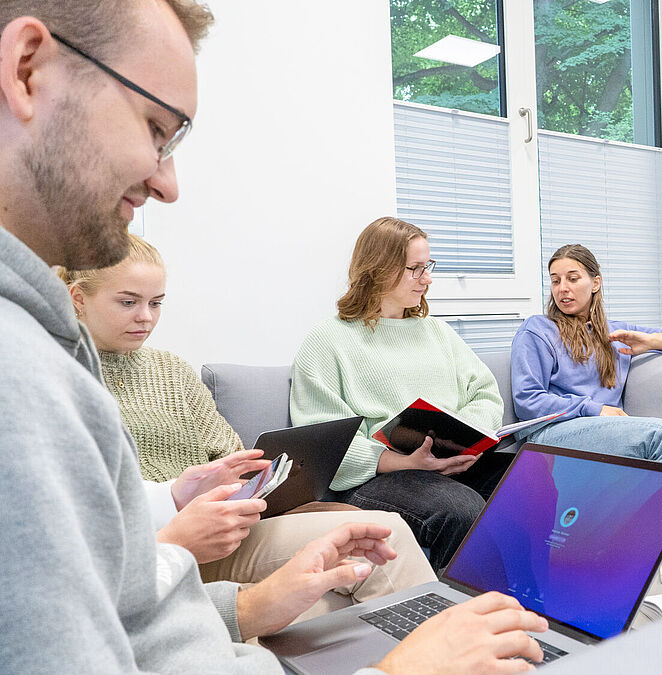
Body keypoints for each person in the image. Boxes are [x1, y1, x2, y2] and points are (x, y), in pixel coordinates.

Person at [0, 3, 547, 671]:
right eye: (154, 127)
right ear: (26, 69)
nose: (168, 183)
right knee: (441, 514)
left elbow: (126, 602)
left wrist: (245, 600)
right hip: (379, 483)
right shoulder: (23, 372)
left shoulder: (48, 347)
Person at [64, 233, 437, 610]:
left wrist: (258, 485)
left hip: (230, 524)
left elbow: (230, 453)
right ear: (78, 299)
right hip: (161, 543)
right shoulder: (60, 377)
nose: (145, 317)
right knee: (382, 537)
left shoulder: (171, 369)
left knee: (374, 534)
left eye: (156, 303)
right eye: (128, 302)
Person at [291, 217, 512, 570]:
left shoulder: (437, 332)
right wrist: (405, 462)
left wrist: (462, 440)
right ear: (378, 269)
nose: (427, 279)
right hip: (380, 476)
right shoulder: (328, 340)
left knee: (534, 483)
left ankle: (542, 596)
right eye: (415, 269)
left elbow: (485, 393)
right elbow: (323, 442)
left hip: (449, 461)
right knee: (460, 511)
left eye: (428, 266)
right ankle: (460, 603)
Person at [510, 243, 662, 516]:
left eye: (572, 278)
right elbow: (527, 401)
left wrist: (652, 341)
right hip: (550, 434)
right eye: (555, 281)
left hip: (604, 433)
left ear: (595, 283)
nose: (562, 288)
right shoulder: (538, 329)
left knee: (657, 463)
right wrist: (594, 409)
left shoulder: (615, 333)